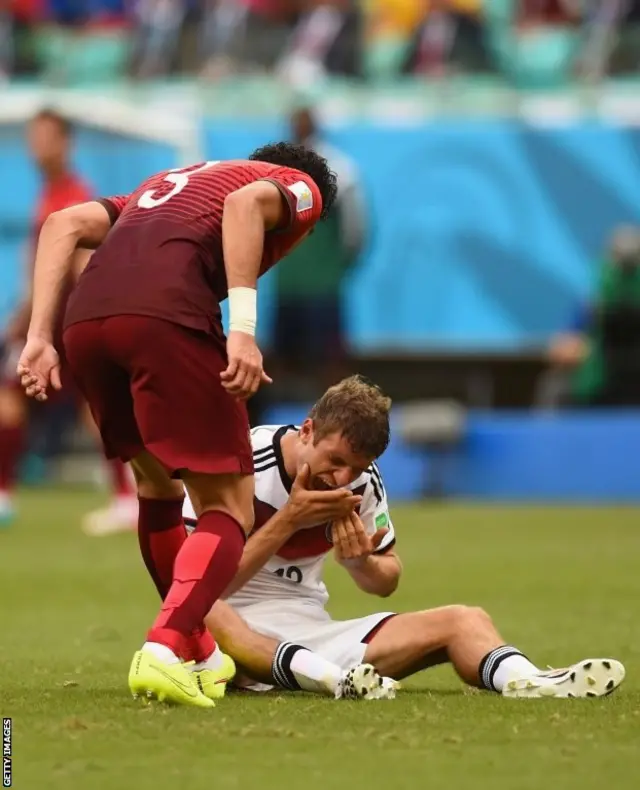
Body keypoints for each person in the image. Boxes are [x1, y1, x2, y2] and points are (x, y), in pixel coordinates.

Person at [17, 144, 344, 709]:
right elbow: (246, 206)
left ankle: (193, 645)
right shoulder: (298, 187)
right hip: (165, 315)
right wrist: (242, 330)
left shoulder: (165, 185)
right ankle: (166, 645)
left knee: (158, 486)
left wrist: (39, 336)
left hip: (86, 322)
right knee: (228, 507)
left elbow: (64, 224)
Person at [185, 376, 625, 700]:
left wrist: (361, 563)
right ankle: (333, 680)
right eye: (334, 459)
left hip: (308, 628)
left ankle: (528, 682)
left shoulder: (363, 483)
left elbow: (386, 579)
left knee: (463, 619)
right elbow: (196, 588)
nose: (342, 477)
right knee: (208, 613)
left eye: (355, 468)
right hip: (224, 621)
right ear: (307, 431)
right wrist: (288, 519)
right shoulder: (239, 462)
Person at [0, 108, 137, 530]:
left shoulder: (75, 195)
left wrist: (32, 318)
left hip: (62, 319)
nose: (37, 146)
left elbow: (79, 261)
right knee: (30, 402)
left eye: (46, 137)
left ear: (65, 143)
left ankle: (129, 495)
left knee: (87, 407)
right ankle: (127, 495)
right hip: (51, 317)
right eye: (33, 137)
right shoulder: (49, 192)